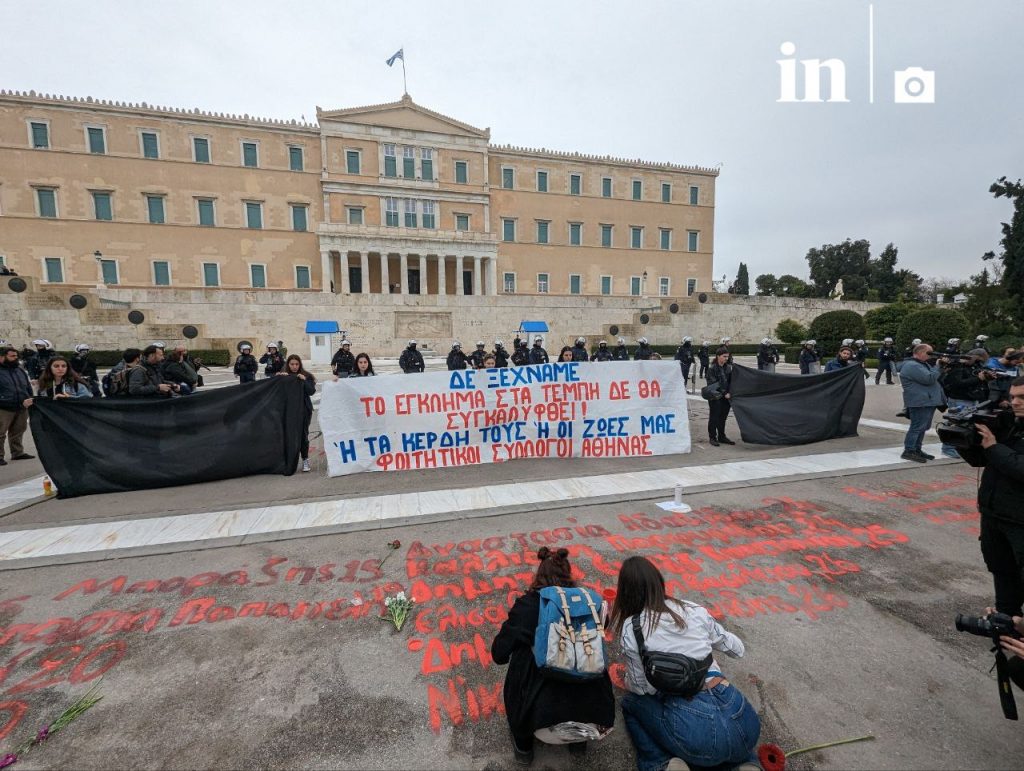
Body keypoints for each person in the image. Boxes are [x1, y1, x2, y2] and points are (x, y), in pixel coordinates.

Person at [611, 556, 760, 771]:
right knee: (731, 742)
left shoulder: (632, 628)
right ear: (658, 582)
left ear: (625, 592)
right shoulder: (694, 610)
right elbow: (737, 649)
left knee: (631, 703)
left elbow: (642, 688)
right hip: (743, 717)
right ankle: (747, 763)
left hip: (695, 725)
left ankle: (658, 763)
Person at [491, 547, 615, 765]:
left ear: (539, 575)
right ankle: (578, 744)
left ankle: (523, 747)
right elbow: (605, 626)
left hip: (540, 721)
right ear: (569, 576)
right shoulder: (591, 602)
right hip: (594, 720)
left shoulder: (528, 605)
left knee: (522, 653)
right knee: (587, 650)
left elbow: (499, 654)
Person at [959, 377, 1024, 617]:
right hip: (994, 514)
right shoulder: (1012, 424)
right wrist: (964, 439)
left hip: (1020, 520)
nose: (1014, 402)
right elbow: (982, 460)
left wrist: (994, 447)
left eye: (1022, 398)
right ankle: (1007, 626)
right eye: (1013, 397)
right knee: (1002, 572)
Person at [940, 348, 991, 458]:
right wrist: (978, 379)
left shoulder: (975, 365)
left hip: (972, 398)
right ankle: (947, 448)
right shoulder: (957, 365)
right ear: (973, 356)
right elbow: (958, 383)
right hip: (959, 399)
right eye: (978, 359)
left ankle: (961, 446)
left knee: (966, 425)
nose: (979, 362)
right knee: (953, 423)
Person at [899, 343, 945, 463]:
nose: (931, 356)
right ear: (921, 353)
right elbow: (929, 379)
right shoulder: (912, 365)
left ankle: (917, 449)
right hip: (920, 402)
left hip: (927, 401)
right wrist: (938, 367)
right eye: (929, 353)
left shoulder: (921, 364)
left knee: (922, 427)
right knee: (917, 427)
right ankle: (909, 451)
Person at [281, 354, 317, 473]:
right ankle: (287, 461)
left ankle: (305, 459)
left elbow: (311, 391)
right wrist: (279, 379)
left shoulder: (306, 376)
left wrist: (305, 380)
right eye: (292, 364)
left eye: (297, 364)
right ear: (288, 365)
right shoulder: (283, 376)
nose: (294, 367)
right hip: (288, 411)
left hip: (303, 411)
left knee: (303, 436)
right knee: (287, 435)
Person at [0, 345, 35, 465]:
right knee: (0, 432)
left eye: (16, 356)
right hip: (4, 407)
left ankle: (17, 453)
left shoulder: (19, 370)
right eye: (12, 356)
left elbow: (27, 385)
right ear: (2, 357)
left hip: (21, 406)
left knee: (18, 430)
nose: (15, 358)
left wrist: (29, 397)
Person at [705, 348, 735, 447]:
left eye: (727, 356)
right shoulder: (712, 369)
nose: (726, 358)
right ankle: (712, 437)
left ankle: (722, 436)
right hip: (715, 397)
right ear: (718, 356)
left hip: (726, 397)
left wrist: (730, 392)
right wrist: (724, 392)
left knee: (723, 418)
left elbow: (731, 381)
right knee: (714, 417)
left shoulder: (728, 368)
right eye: (724, 356)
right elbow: (713, 384)